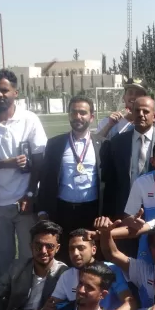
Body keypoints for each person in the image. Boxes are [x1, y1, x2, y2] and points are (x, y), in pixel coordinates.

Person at [0, 69, 47, 277]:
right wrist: (6, 163)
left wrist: (30, 195)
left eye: (5, 90)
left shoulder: (29, 119)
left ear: (15, 92)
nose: (0, 95)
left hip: (23, 202)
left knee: (29, 256)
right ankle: (6, 302)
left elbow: (39, 161)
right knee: (3, 259)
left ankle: (28, 302)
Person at [36, 96, 105, 264]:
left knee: (91, 257)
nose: (78, 116)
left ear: (91, 117)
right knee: (63, 256)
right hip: (62, 211)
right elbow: (46, 178)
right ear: (69, 115)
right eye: (74, 112)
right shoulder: (55, 144)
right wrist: (42, 211)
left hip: (92, 211)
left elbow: (108, 182)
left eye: (83, 112)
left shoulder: (103, 144)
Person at [101, 96, 155, 219]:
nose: (141, 114)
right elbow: (111, 181)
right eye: (137, 111)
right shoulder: (117, 141)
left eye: (146, 111)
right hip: (125, 209)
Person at [44, 229, 135, 310]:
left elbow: (131, 304)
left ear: (93, 250)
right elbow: (50, 307)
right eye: (71, 249)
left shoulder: (110, 270)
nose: (75, 253)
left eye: (81, 248)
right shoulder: (66, 276)